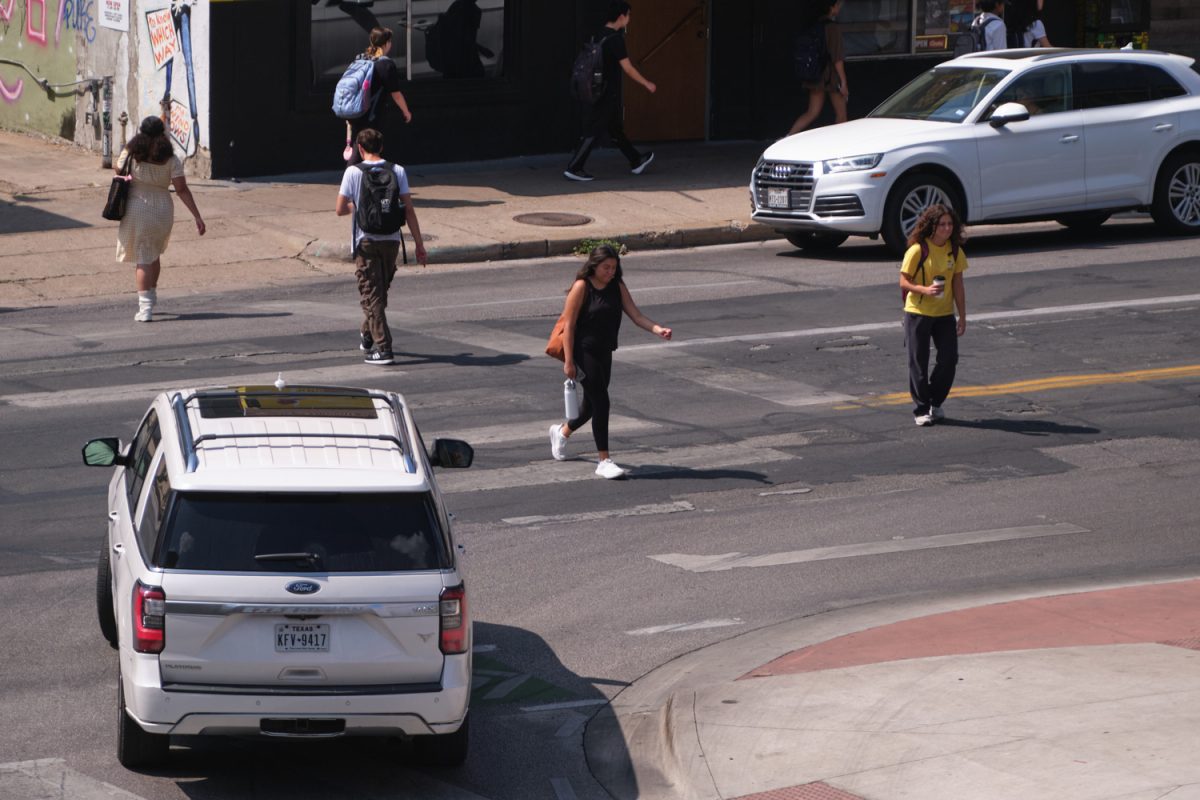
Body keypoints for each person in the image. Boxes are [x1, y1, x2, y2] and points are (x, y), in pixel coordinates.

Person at [548, 244, 672, 478]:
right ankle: (604, 460)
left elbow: (635, 315)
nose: (611, 272)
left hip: (605, 351)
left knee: (591, 405)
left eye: (614, 267)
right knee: (602, 402)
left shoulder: (617, 286)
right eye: (606, 267)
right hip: (583, 352)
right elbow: (569, 326)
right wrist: (569, 362)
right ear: (594, 266)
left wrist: (658, 329)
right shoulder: (581, 287)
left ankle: (562, 432)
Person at [335, 128, 428, 366]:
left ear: (359, 148)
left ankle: (384, 349)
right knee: (379, 294)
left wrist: (359, 207)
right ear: (382, 147)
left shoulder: (353, 173)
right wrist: (419, 244)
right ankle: (367, 334)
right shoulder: (398, 171)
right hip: (392, 240)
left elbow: (339, 209)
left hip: (366, 241)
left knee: (372, 296)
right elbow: (408, 209)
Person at [114, 115, 205, 323]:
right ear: (162, 133)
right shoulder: (170, 158)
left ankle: (145, 309)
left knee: (143, 258)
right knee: (153, 253)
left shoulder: (132, 151)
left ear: (141, 131)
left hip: (137, 207)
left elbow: (118, 170)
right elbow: (181, 189)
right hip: (162, 209)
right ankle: (151, 297)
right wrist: (197, 216)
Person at [564, 1, 657, 182]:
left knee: (614, 128)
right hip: (606, 92)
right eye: (629, 15)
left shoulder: (597, 35)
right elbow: (628, 68)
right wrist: (646, 83)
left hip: (594, 88)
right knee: (593, 130)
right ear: (621, 16)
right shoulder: (615, 39)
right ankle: (575, 167)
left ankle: (636, 160)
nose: (629, 19)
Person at [898, 203, 968, 426]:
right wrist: (924, 290)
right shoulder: (918, 249)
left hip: (944, 313)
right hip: (918, 312)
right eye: (942, 225)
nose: (947, 229)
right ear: (932, 226)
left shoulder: (954, 250)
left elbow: (958, 284)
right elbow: (903, 281)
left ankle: (934, 401)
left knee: (949, 359)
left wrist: (963, 316)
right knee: (918, 361)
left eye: (950, 224)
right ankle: (921, 409)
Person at [347, 27, 413, 167]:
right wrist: (406, 111)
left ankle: (356, 181)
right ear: (387, 43)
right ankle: (352, 183)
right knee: (368, 147)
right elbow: (396, 93)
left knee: (359, 146)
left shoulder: (361, 58)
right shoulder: (386, 64)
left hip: (355, 110)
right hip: (372, 113)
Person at [787, 0, 848, 136]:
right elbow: (837, 57)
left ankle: (788, 137)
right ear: (832, 8)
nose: (839, 8)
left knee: (812, 112)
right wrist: (843, 82)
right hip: (831, 77)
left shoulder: (814, 25)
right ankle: (841, 144)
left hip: (815, 74)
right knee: (841, 116)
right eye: (838, 5)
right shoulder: (833, 28)